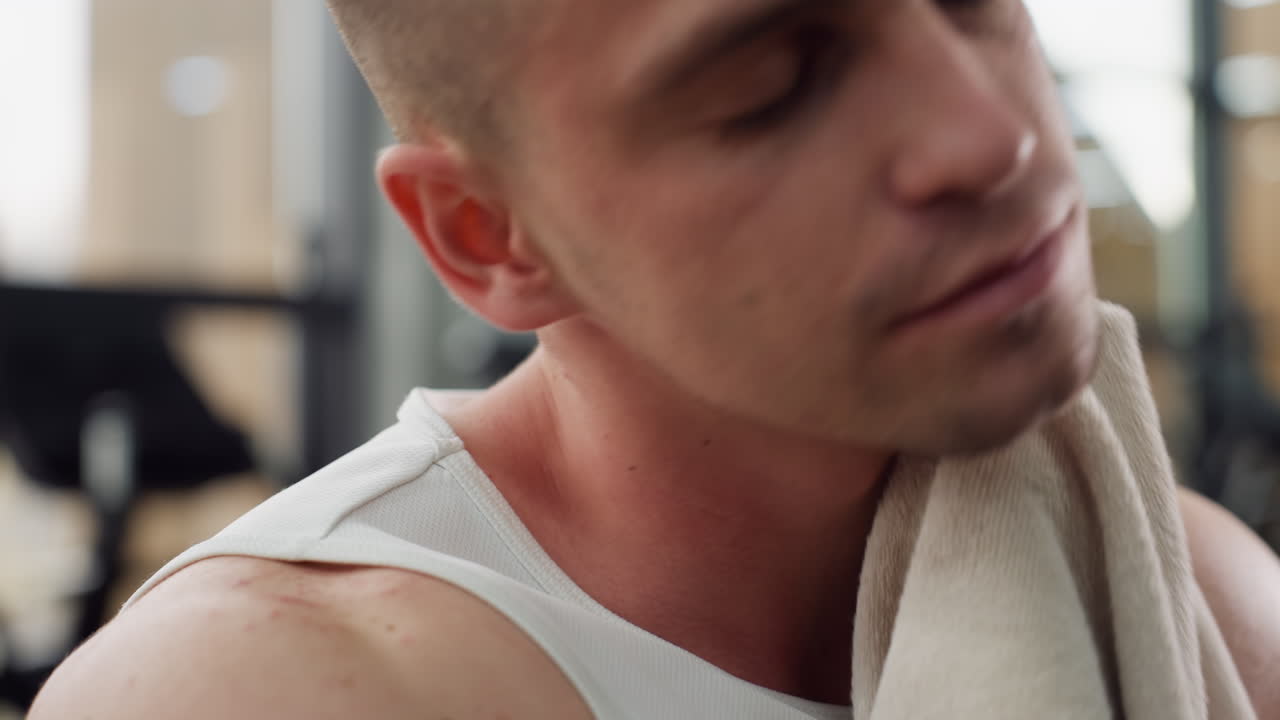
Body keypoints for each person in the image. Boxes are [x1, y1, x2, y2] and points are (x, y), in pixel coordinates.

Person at [31, 1, 1280, 717]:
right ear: (489, 237)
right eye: (773, 87)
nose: (991, 136)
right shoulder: (257, 692)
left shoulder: (1194, 596)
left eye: (972, 2)